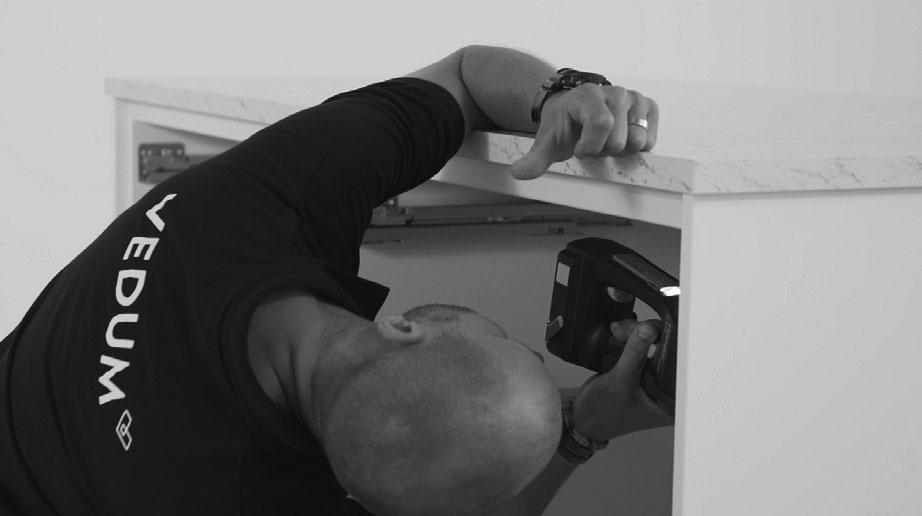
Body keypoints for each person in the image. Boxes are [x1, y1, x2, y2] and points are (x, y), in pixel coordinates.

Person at [0, 44, 672, 515]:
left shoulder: (263, 203)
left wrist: (561, 95)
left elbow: (463, 78)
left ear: (403, 329)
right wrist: (584, 428)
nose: (527, 343)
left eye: (510, 346)